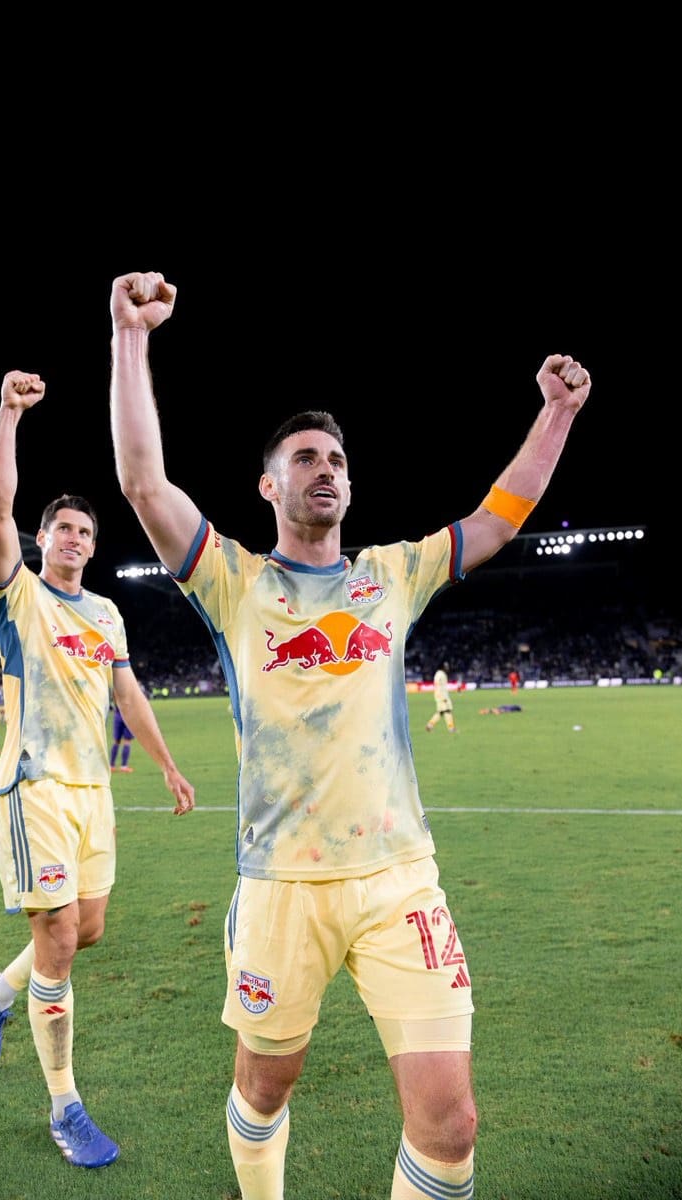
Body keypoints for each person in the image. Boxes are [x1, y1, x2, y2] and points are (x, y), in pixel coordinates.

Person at [109, 269, 591, 1200]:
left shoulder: (394, 574)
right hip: (280, 883)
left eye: (334, 458)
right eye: (304, 457)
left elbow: (497, 517)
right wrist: (130, 337)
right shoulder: (235, 582)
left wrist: (556, 415)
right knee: (263, 1083)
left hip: (398, 876)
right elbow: (140, 480)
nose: (324, 467)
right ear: (267, 483)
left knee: (451, 1126)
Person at [0, 369, 196, 1170]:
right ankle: (66, 1105)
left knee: (88, 929)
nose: (74, 540)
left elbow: (126, 692)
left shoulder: (106, 613)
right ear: (43, 539)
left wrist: (167, 765)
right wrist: (7, 415)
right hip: (34, 789)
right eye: (63, 529)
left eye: (85, 534)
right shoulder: (20, 597)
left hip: (95, 792)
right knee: (60, 940)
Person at [425, 665, 456, 733]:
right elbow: (439, 686)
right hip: (442, 695)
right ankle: (451, 728)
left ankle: (429, 725)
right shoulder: (440, 675)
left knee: (441, 712)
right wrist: (443, 697)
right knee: (447, 710)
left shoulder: (439, 674)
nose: (447, 669)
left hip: (440, 695)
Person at [110, 704, 136, 771]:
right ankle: (124, 766)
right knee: (127, 741)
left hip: (118, 715)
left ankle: (111, 765)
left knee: (116, 741)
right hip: (128, 715)